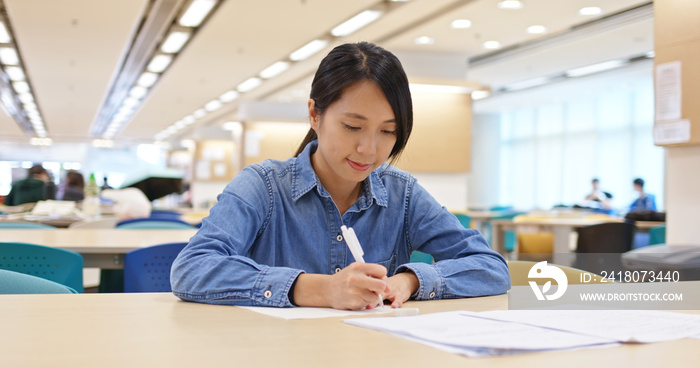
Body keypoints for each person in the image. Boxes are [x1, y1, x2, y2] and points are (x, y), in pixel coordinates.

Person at [170, 42, 510, 310]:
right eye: (352, 126)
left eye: (388, 131)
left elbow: (490, 267)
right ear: (314, 114)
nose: (369, 149)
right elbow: (192, 268)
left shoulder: (402, 194)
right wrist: (318, 289)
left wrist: (410, 281)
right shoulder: (263, 187)